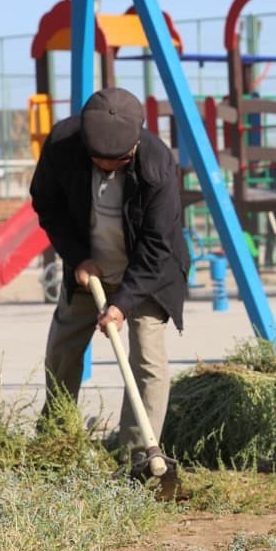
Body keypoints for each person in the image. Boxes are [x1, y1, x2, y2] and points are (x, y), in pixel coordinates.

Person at [30, 86, 189, 476]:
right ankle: (56, 438)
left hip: (146, 276)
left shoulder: (156, 165)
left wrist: (122, 304)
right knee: (63, 349)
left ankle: (138, 455)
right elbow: (46, 203)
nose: (110, 170)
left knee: (148, 362)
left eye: (119, 163)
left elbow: (157, 244)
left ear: (134, 146)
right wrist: (77, 257)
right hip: (89, 270)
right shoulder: (63, 146)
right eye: (102, 163)